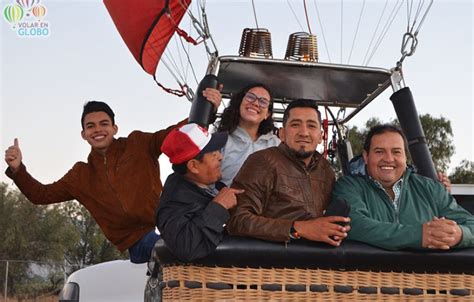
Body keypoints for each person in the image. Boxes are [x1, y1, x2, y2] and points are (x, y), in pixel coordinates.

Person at [4, 91, 221, 263]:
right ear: (83, 134)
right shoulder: (80, 176)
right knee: (187, 250)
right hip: (139, 241)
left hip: (169, 226)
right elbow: (40, 195)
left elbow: (175, 134)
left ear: (114, 127)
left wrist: (206, 111)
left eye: (103, 124)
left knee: (211, 246)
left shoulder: (138, 144)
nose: (98, 130)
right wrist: (18, 169)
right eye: (90, 126)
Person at [227, 99, 350, 246]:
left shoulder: (326, 170)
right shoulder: (262, 161)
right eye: (295, 125)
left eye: (311, 126)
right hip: (273, 262)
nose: (304, 132)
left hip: (318, 261)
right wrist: (297, 228)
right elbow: (237, 220)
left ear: (320, 136)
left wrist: (336, 229)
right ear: (282, 134)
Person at [332, 124, 474, 250]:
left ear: (405, 157)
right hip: (370, 276)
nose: (388, 158)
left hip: (429, 278)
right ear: (366, 156)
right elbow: (355, 225)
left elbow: (470, 224)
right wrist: (419, 235)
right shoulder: (348, 187)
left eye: (396, 152)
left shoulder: (431, 188)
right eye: (379, 151)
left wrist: (459, 234)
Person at [156, 123, 243, 262]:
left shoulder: (212, 186)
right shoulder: (173, 202)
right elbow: (186, 247)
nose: (220, 156)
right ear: (194, 166)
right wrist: (218, 207)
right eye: (213, 154)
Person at [216, 84, 280, 186]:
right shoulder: (220, 140)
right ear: (239, 103)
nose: (255, 103)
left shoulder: (276, 144)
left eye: (263, 102)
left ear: (267, 114)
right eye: (250, 97)